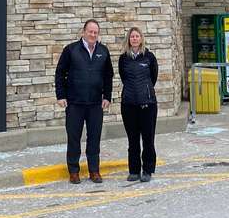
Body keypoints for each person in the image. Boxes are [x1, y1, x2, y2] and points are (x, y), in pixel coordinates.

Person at [54, 19, 113, 183]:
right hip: (75, 103)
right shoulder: (71, 50)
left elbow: (108, 76)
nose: (93, 34)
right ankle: (74, 171)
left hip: (95, 104)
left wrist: (107, 96)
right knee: (74, 138)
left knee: (94, 138)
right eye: (90, 31)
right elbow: (60, 73)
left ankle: (94, 171)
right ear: (84, 32)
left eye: (95, 32)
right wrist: (61, 95)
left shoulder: (103, 51)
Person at [118, 26, 159, 183]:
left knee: (148, 139)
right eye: (132, 36)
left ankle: (147, 170)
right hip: (129, 104)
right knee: (133, 140)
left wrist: (144, 91)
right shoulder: (123, 59)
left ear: (141, 39)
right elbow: (124, 77)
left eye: (137, 36)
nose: (134, 38)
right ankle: (134, 171)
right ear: (128, 39)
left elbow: (153, 77)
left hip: (147, 104)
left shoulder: (149, 57)